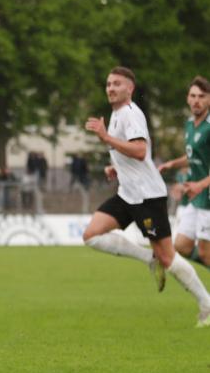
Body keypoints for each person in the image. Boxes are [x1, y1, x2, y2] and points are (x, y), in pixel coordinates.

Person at [82, 67, 210, 327]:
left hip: (148, 197)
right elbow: (132, 154)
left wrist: (106, 138)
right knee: (92, 235)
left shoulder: (132, 114)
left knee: (169, 257)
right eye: (108, 84)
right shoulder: (116, 114)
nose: (110, 88)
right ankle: (147, 258)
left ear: (130, 89)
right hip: (127, 193)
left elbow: (141, 150)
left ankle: (206, 304)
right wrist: (115, 166)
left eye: (117, 84)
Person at [159, 77, 210, 280]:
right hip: (195, 196)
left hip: (207, 197)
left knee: (205, 253)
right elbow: (192, 156)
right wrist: (171, 164)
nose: (196, 100)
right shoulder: (190, 124)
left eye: (202, 96)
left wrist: (200, 184)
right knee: (180, 247)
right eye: (193, 96)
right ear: (187, 99)